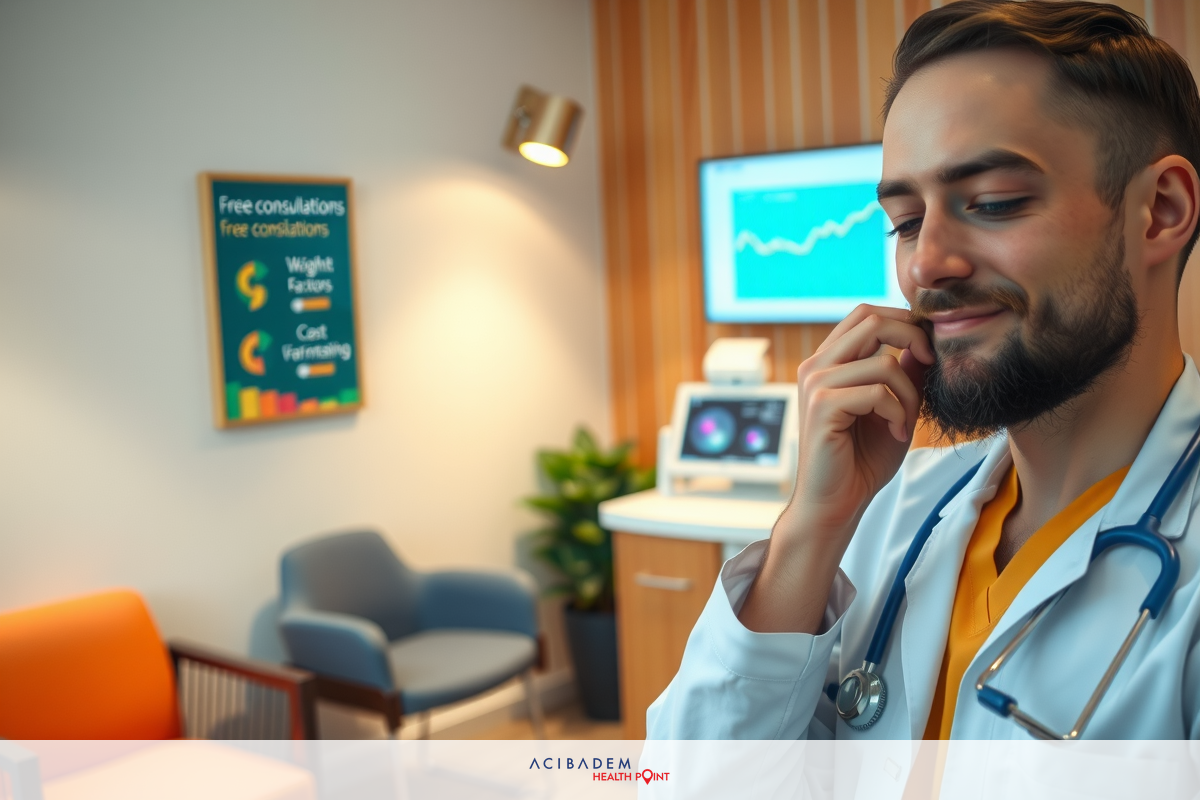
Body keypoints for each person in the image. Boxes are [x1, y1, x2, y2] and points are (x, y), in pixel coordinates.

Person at [648, 0, 1200, 741]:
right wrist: (812, 529)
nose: (924, 265)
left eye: (994, 203)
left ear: (1160, 210)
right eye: (906, 222)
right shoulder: (893, 512)